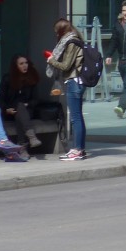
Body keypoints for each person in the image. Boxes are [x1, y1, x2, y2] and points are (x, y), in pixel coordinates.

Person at [47, 18, 87, 161]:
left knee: (75, 118)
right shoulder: (77, 39)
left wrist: (51, 60)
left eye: (57, 32)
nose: (56, 35)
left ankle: (76, 150)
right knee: (78, 117)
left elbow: (65, 66)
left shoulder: (71, 42)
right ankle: (80, 149)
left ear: (61, 31)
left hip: (74, 82)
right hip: (79, 81)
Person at [0, 54, 42, 150]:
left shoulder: (31, 78)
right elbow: (0, 100)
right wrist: (6, 109)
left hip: (27, 110)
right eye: (21, 64)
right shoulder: (7, 79)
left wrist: (27, 104)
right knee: (19, 111)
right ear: (15, 66)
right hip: (10, 111)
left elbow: (36, 99)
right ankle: (31, 137)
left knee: (20, 110)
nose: (25, 65)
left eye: (26, 63)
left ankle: (22, 147)